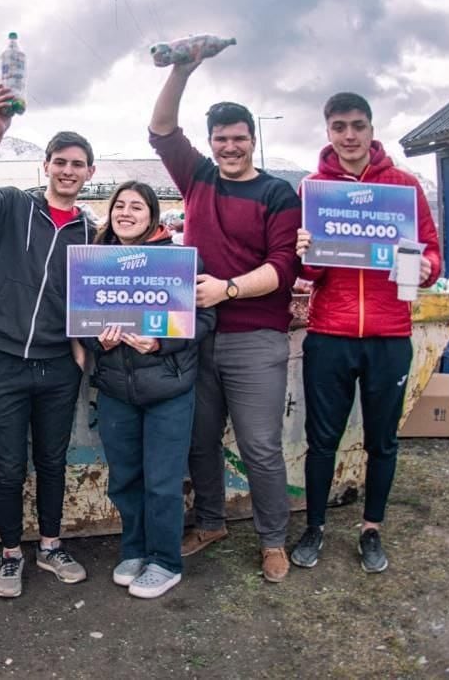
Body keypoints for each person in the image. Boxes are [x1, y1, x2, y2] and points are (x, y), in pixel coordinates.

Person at [149, 51, 301, 583]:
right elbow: (161, 129)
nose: (230, 146)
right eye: (221, 138)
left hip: (255, 336)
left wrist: (227, 289)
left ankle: (273, 540)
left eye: (239, 137)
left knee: (260, 445)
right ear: (211, 142)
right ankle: (211, 522)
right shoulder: (198, 179)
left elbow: (283, 266)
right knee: (200, 440)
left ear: (252, 140)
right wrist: (182, 70)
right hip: (197, 338)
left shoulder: (277, 192)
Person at [0, 86, 95, 598]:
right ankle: (12, 555)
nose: (68, 171)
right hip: (4, 362)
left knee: (52, 463)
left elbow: (97, 300)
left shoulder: (90, 233)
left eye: (77, 164)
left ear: (88, 174)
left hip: (58, 367)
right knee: (10, 467)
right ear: (46, 167)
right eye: (59, 161)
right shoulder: (14, 206)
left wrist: (83, 350)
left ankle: (50, 546)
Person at [291, 92, 441, 573]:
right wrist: (306, 254)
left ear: (372, 128)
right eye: (339, 127)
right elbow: (310, 275)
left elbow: (432, 254)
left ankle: (371, 529)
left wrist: (424, 269)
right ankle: (314, 526)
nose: (349, 135)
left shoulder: (403, 187)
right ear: (328, 132)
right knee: (322, 440)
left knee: (383, 441)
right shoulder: (314, 189)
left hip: (389, 335)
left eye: (357, 125)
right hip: (330, 334)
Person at [86, 181, 216, 599]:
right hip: (115, 389)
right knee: (125, 478)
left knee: (162, 481)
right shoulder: (94, 261)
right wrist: (98, 341)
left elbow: (205, 318)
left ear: (153, 216)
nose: (126, 212)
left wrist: (162, 343)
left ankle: (165, 560)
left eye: (136, 206)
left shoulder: (177, 260)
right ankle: (135, 550)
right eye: (119, 205)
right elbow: (80, 320)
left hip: (168, 388)